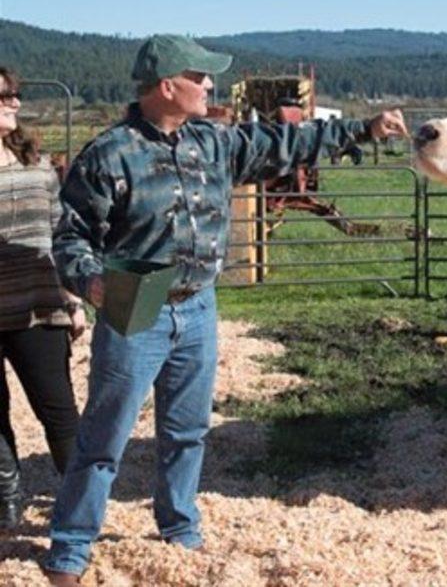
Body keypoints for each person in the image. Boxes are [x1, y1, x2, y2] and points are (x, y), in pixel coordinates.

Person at [41, 35, 408, 585]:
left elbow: (287, 141)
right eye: (201, 76)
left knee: (188, 430)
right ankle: (71, 547)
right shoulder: (108, 154)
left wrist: (361, 128)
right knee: (104, 437)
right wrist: (93, 283)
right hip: (133, 307)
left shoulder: (214, 142)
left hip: (198, 308)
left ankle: (179, 524)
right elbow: (69, 236)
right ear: (168, 86)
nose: (210, 84)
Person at [0, 67, 84, 531]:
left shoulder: (37, 164)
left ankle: (76, 504)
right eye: (4, 95)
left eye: (14, 94)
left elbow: (63, 233)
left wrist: (72, 298)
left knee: (58, 411)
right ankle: (6, 505)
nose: (14, 102)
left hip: (38, 305)